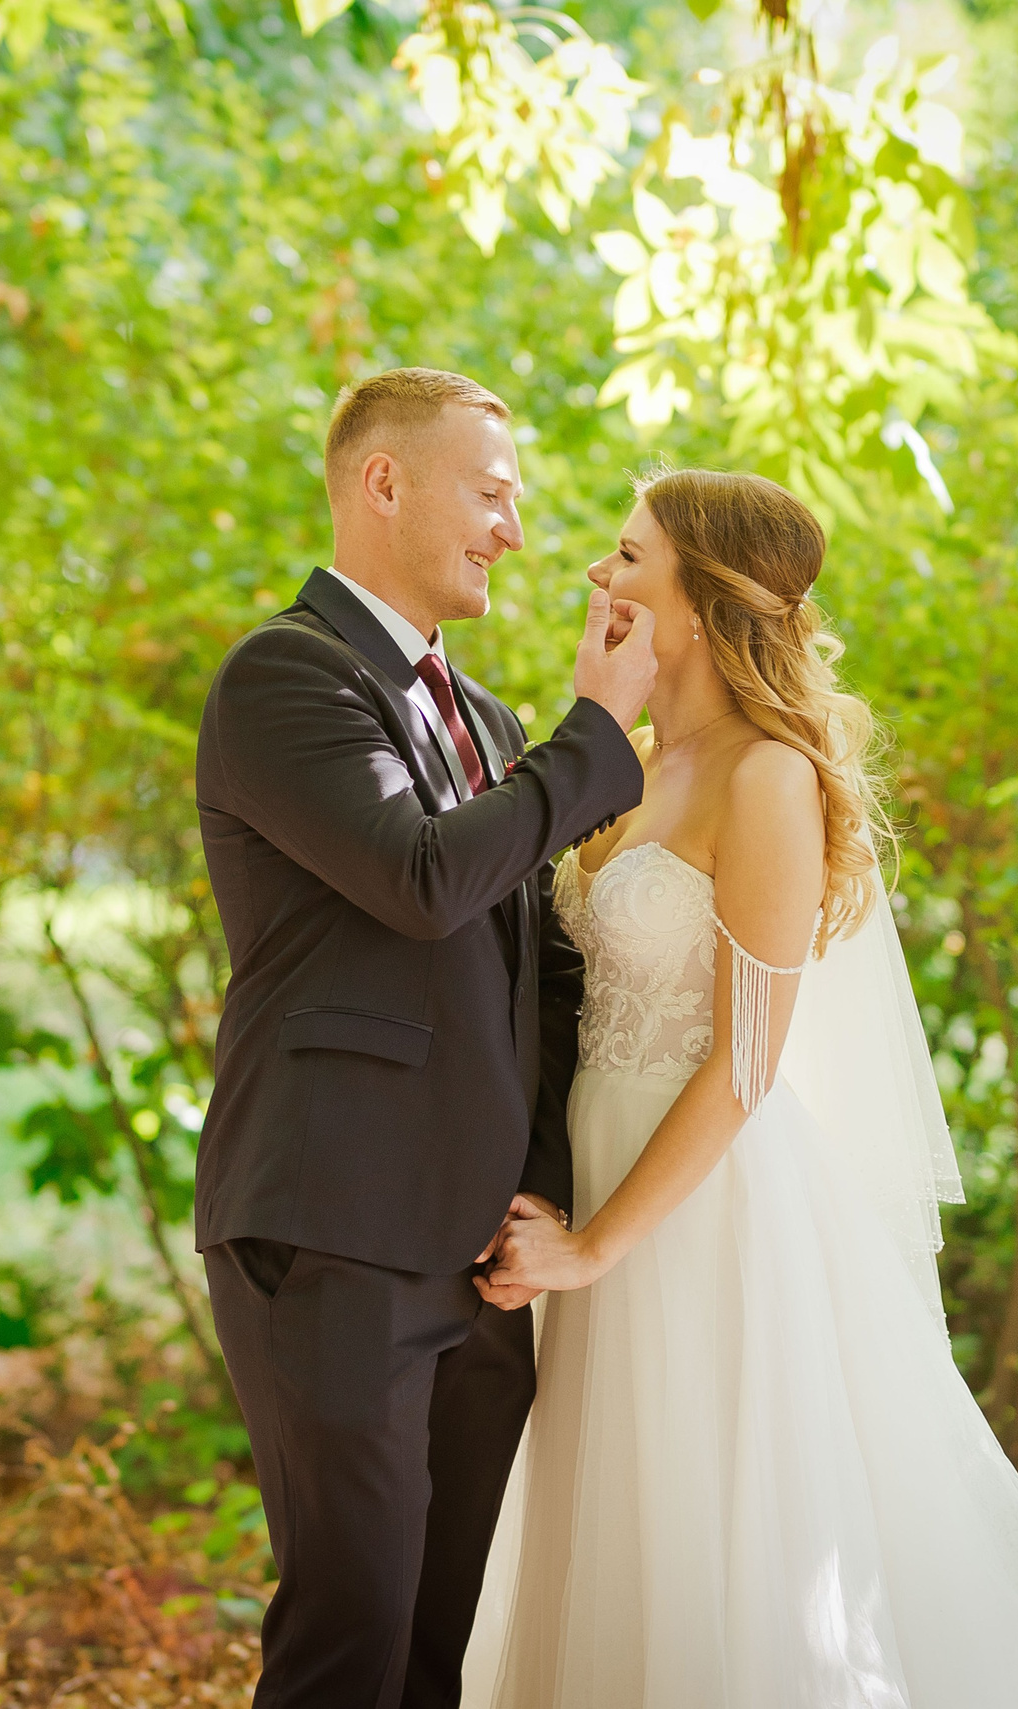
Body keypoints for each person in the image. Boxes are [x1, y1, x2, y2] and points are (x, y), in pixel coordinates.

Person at [465, 468, 1018, 1709]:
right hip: (591, 1181)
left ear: (700, 597)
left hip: (695, 1217)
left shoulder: (765, 777)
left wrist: (596, 1248)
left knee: (709, 1542)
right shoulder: (617, 764)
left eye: (627, 558)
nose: (596, 577)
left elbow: (745, 1060)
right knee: (610, 1532)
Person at [191, 367, 657, 1709]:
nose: (515, 529)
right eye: (492, 493)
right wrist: (598, 734)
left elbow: (538, 982)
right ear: (383, 483)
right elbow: (420, 877)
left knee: (442, 1652)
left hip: (476, 1253)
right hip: (333, 1229)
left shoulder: (496, 728)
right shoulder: (286, 678)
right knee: (352, 1633)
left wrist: (551, 1194)